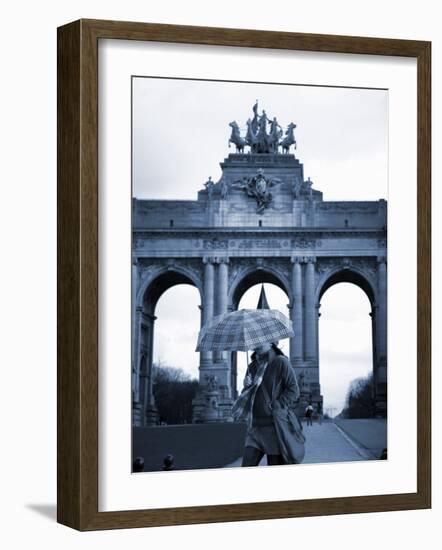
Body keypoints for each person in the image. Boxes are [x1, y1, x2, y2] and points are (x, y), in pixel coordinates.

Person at [236, 342, 300, 467]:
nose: (257, 342)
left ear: (271, 342)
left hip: (274, 428)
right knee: (246, 466)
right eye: (254, 340)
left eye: (261, 339)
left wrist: (277, 405)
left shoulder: (281, 362)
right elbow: (249, 397)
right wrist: (246, 387)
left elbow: (294, 390)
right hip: (255, 428)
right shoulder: (252, 367)